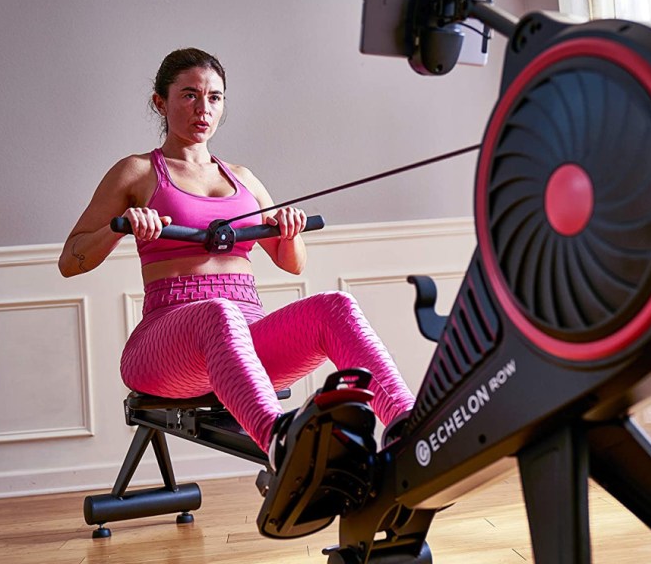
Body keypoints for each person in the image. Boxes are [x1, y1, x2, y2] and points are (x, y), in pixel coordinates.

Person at [58, 47, 415, 464]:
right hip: (165, 350)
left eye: (214, 97)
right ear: (161, 102)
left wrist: (289, 228)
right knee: (219, 312)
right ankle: (281, 444)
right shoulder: (137, 171)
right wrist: (122, 226)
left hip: (245, 342)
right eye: (189, 95)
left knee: (336, 306)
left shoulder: (242, 179)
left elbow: (291, 262)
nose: (203, 109)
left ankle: (409, 427)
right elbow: (71, 260)